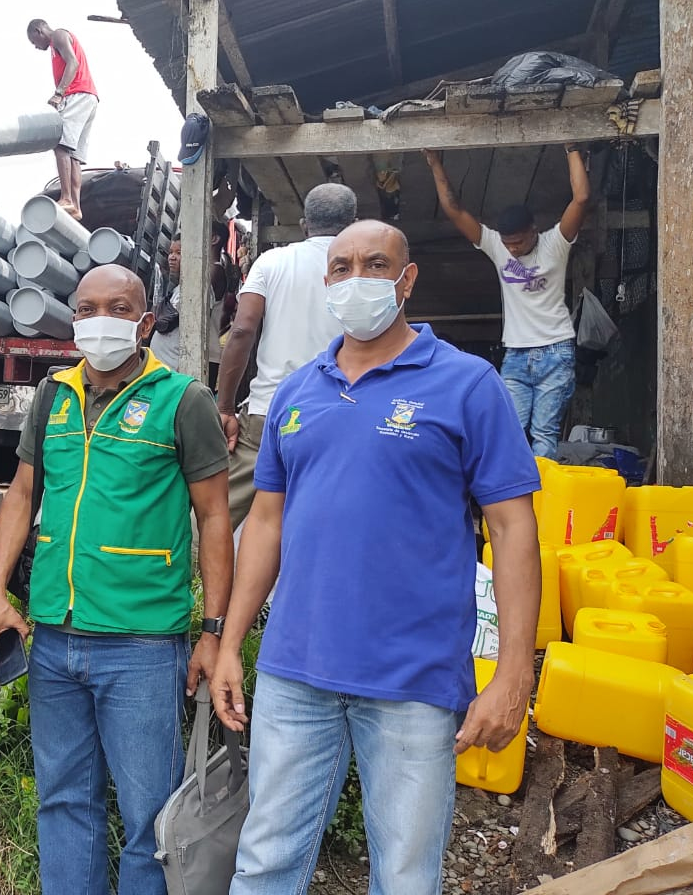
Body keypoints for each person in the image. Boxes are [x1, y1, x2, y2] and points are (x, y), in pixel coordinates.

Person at [211, 221, 541, 895]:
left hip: (412, 680)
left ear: (406, 278)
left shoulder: (467, 385)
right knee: (265, 862)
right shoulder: (298, 392)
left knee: (407, 878)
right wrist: (228, 643)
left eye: (375, 263)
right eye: (341, 267)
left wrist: (513, 674)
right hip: (295, 671)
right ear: (325, 280)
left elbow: (512, 530)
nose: (356, 277)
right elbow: (266, 524)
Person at [0, 263, 233, 895]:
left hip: (142, 644)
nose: (100, 321)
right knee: (63, 801)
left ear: (144, 322)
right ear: (73, 321)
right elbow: (21, 493)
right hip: (55, 640)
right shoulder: (53, 395)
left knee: (151, 817)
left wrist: (214, 632)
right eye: (87, 309)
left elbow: (214, 515)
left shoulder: (182, 400)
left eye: (116, 308)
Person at [424, 145, 591, 457]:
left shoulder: (555, 243)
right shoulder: (495, 246)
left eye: (518, 242)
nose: (512, 250)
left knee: (544, 435)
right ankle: (510, 503)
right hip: (515, 355)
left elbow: (580, 198)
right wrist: (435, 162)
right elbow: (454, 210)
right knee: (507, 432)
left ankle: (543, 505)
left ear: (534, 231)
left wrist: (571, 148)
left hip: (555, 352)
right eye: (507, 244)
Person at [215, 183, 356, 530]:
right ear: (354, 224)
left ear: (304, 223)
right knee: (328, 517)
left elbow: (243, 330)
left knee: (216, 513)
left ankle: (188, 571)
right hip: (339, 413)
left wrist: (224, 407)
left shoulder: (273, 261)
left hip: (270, 412)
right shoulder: (360, 269)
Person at [27, 18, 98, 221]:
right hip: (89, 98)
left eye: (34, 41)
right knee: (73, 156)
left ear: (39, 31)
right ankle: (75, 206)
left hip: (77, 94)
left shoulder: (58, 35)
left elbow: (73, 62)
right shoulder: (55, 43)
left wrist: (59, 93)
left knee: (60, 146)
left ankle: (66, 197)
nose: (35, 46)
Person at [150, 226, 227, 381]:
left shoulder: (213, 271)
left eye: (179, 253)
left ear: (213, 239)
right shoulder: (185, 283)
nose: (172, 257)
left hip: (186, 366)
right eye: (171, 252)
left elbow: (186, 314)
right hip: (173, 366)